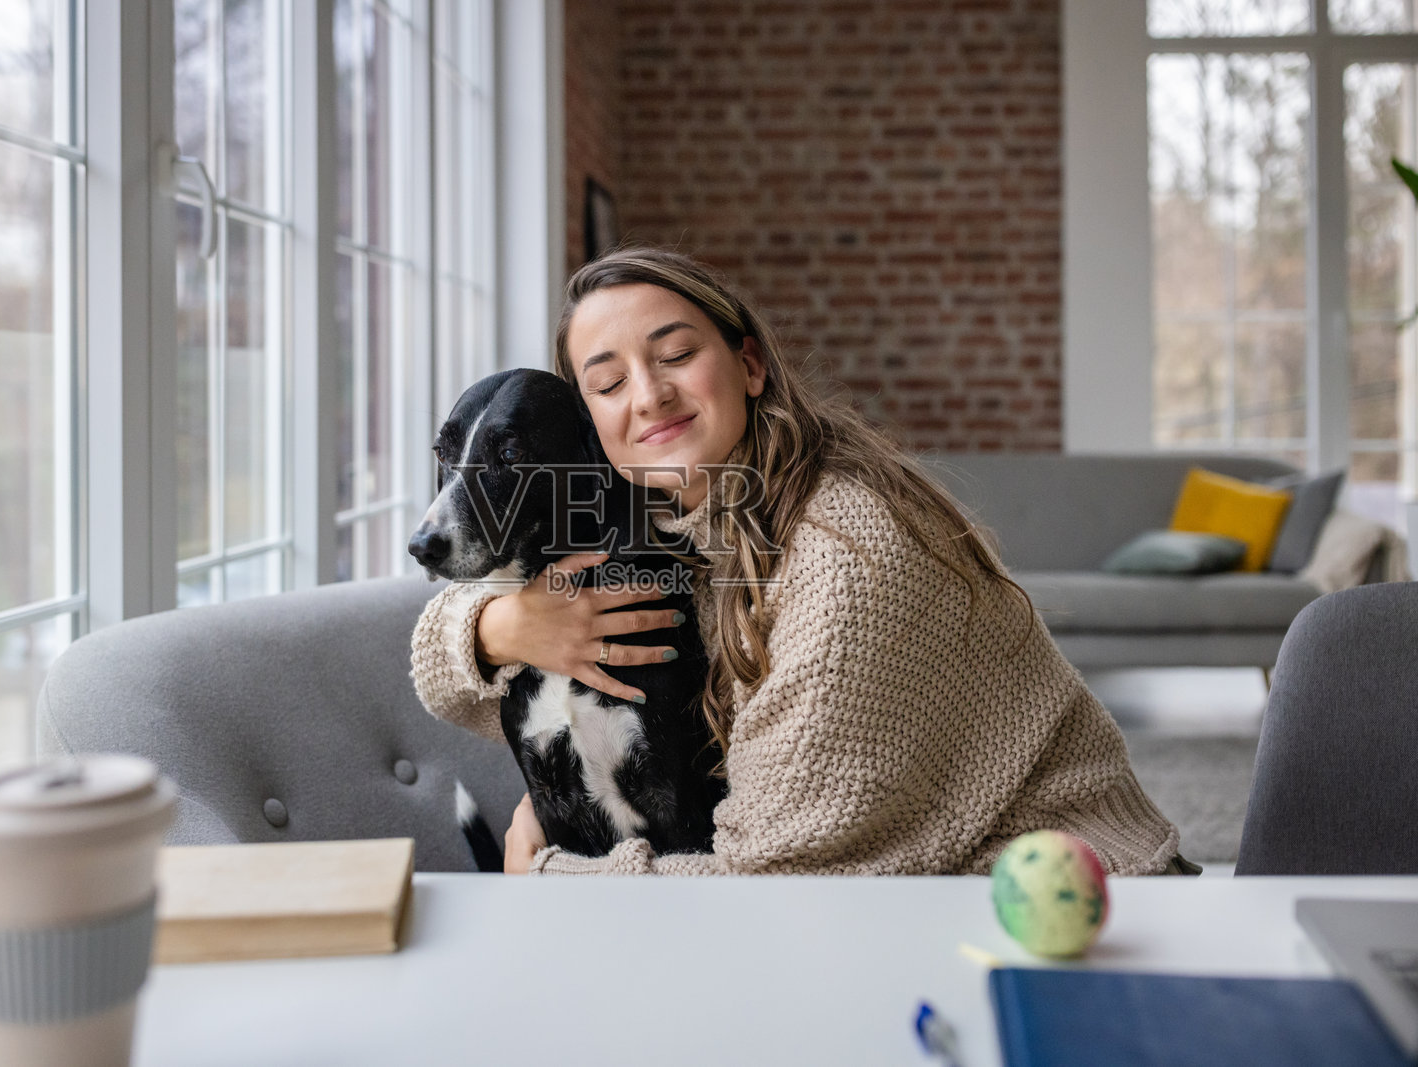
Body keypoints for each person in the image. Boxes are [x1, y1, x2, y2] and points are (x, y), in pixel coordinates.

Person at [409, 247, 1191, 877]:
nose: (646, 395)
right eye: (608, 382)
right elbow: (451, 683)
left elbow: (780, 869)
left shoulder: (847, 547)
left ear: (750, 367)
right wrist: (505, 625)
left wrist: (547, 870)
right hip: (896, 895)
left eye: (676, 353)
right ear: (593, 432)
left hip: (1052, 891)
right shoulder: (656, 519)